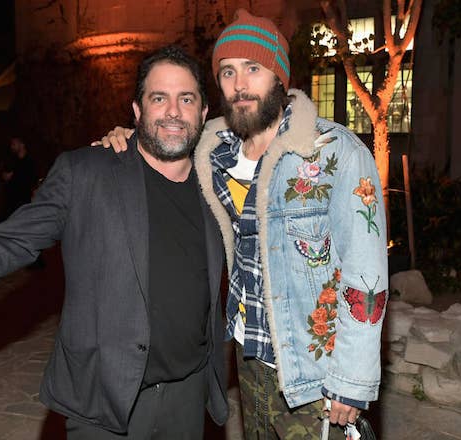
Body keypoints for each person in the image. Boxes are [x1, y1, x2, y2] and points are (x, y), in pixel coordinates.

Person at [0, 46, 229, 439]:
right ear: (136, 110)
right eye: (158, 97)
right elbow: (10, 242)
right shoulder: (86, 173)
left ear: (203, 113)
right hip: (105, 403)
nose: (172, 111)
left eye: (186, 98)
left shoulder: (216, 184)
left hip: (188, 398)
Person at [95, 9, 388, 439]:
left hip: (314, 374)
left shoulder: (334, 152)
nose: (240, 83)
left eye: (253, 68)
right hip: (250, 362)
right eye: (228, 71)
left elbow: (367, 272)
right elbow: (165, 139)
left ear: (280, 77)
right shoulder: (212, 153)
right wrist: (126, 136)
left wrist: (353, 380)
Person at [0, 137, 39, 220]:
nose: (11, 147)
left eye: (14, 144)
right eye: (11, 144)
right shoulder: (14, 161)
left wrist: (12, 176)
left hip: (21, 205)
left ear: (22, 144)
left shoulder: (30, 162)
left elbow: (28, 181)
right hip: (11, 205)